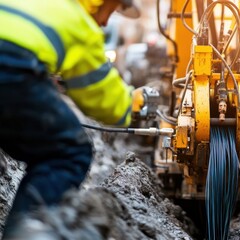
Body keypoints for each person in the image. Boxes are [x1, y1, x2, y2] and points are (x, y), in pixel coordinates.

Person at [0, 0, 142, 237]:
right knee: (68, 150)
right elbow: (101, 98)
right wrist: (132, 104)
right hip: (10, 68)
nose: (107, 22)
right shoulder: (79, 22)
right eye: (112, 9)